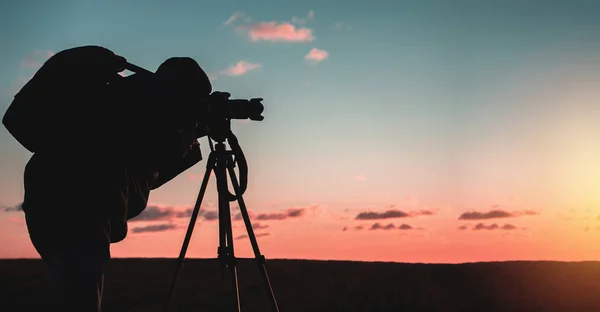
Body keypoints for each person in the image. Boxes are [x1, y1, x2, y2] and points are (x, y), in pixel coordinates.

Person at [2, 45, 213, 311]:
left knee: (77, 295)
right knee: (81, 297)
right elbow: (132, 159)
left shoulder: (140, 112)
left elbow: (143, 176)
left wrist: (187, 141)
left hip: (66, 212)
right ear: (171, 97)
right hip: (73, 211)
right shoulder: (114, 103)